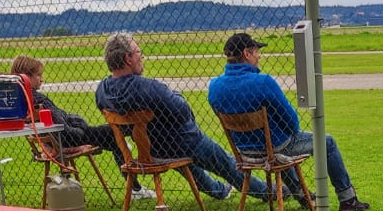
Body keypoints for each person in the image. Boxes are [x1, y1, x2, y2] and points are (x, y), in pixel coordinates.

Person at [206, 32, 369, 211]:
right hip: (274, 148)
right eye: (256, 52)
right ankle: (348, 199)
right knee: (326, 142)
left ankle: (303, 195)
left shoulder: (215, 86)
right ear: (246, 53)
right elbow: (292, 122)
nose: (259, 56)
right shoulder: (263, 82)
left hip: (244, 152)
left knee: (277, 147)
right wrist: (285, 132)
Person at [93, 33, 267, 202]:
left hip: (153, 149)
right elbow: (183, 111)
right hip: (184, 142)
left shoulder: (102, 91)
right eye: (138, 52)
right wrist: (174, 94)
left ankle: (219, 190)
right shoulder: (148, 88)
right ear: (128, 58)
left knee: (190, 163)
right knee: (226, 163)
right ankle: (268, 192)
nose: (142, 56)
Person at [10, 54, 154, 202]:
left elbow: (61, 120)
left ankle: (135, 184)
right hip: (71, 138)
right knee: (118, 132)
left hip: (57, 139)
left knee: (116, 136)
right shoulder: (39, 100)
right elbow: (64, 127)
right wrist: (80, 126)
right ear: (26, 76)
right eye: (38, 75)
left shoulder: (19, 99)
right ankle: (137, 183)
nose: (42, 79)